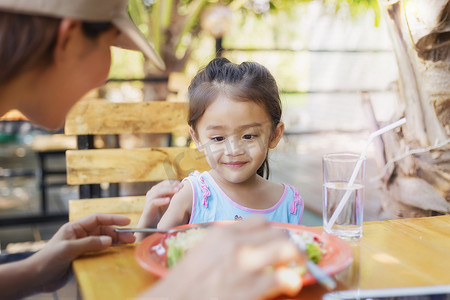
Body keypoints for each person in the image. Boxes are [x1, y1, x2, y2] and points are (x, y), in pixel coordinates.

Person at [0, 1, 304, 299]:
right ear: (67, 41)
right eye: (109, 45)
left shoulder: (287, 198)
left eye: (249, 135)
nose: (106, 74)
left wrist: (38, 269)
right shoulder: (197, 191)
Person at [138, 58, 304, 231]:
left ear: (274, 135)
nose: (234, 150)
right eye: (218, 138)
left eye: (249, 136)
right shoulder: (191, 195)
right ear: (197, 138)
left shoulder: (288, 203)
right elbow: (156, 251)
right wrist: (147, 224)